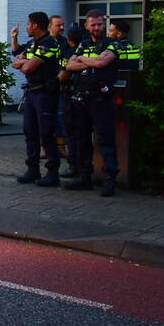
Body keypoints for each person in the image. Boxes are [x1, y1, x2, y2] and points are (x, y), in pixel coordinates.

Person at [64, 10, 121, 196]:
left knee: (106, 140)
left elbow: (102, 64)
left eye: (100, 24)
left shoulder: (113, 43)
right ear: (87, 26)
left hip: (101, 99)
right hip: (82, 98)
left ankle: (109, 179)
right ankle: (84, 177)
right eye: (93, 25)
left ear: (104, 24)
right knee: (82, 139)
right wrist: (89, 60)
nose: (97, 27)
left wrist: (82, 60)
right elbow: (69, 66)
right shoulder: (84, 44)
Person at [11, 12, 61, 186]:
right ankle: (33, 170)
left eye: (28, 24)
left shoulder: (48, 43)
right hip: (32, 93)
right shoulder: (33, 44)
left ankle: (52, 172)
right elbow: (16, 58)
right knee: (30, 132)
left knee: (46, 133)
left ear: (35, 26)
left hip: (45, 94)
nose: (26, 27)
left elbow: (27, 68)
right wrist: (21, 61)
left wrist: (22, 63)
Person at [57, 26, 86, 179]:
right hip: (85, 95)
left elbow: (62, 76)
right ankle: (83, 168)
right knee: (83, 134)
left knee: (71, 134)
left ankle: (74, 166)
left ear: (69, 39)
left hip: (69, 95)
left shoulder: (68, 52)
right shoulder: (89, 50)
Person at [48, 15, 70, 158]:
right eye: (58, 25)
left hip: (61, 86)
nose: (62, 28)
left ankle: (61, 147)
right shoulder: (43, 42)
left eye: (63, 25)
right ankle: (45, 148)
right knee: (44, 118)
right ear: (50, 26)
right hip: (45, 87)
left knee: (60, 117)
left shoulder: (65, 43)